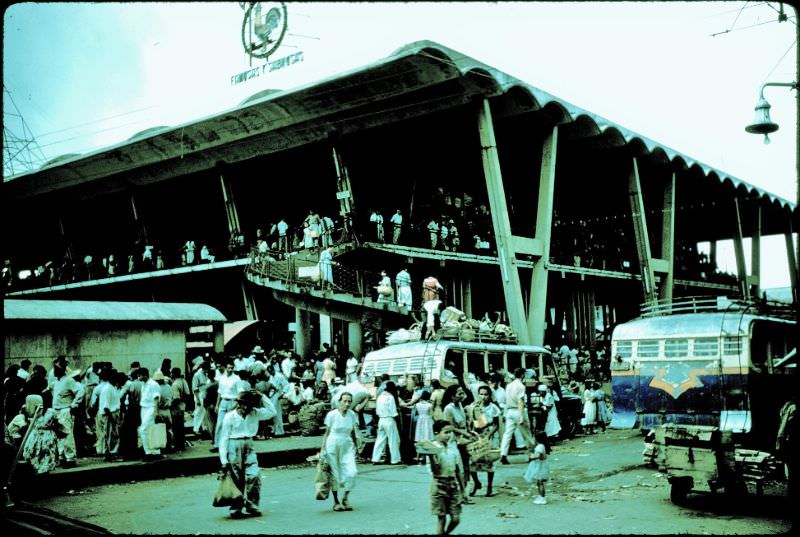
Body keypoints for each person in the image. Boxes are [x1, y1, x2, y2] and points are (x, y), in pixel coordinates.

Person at [218, 389, 276, 518]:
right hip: (234, 445)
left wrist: (262, 396)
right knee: (236, 477)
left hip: (249, 444)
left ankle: (252, 505)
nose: (246, 407)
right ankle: (236, 507)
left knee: (254, 475)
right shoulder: (230, 416)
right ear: (239, 404)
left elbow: (272, 411)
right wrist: (224, 460)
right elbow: (223, 439)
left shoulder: (255, 413)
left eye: (249, 405)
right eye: (243, 404)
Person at [321, 391, 361, 512]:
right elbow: (326, 433)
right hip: (333, 444)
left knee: (352, 472)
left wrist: (356, 445)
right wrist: (322, 449)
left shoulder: (352, 415)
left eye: (349, 401)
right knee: (335, 473)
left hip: (347, 444)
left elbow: (353, 431)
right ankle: (336, 501)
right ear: (339, 402)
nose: (347, 404)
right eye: (345, 401)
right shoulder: (332, 415)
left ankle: (345, 498)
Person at [426, 420, 464, 535]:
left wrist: (463, 490)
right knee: (441, 518)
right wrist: (431, 457)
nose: (449, 435)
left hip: (453, 484)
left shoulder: (453, 448)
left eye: (450, 432)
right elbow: (435, 470)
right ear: (437, 432)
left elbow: (458, 470)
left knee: (456, 518)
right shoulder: (431, 448)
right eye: (446, 432)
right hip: (439, 484)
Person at [49, 355, 85, 468]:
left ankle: (70, 458)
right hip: (57, 411)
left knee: (67, 435)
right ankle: (62, 456)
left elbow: (80, 392)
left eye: (56, 369)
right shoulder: (56, 383)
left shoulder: (69, 381)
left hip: (65, 410)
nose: (54, 371)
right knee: (59, 436)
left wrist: (74, 405)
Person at [442, 384, 477, 500]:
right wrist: (464, 433)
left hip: (464, 439)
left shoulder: (461, 406)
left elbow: (465, 423)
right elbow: (449, 427)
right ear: (452, 396)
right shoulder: (448, 408)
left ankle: (464, 492)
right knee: (458, 469)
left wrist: (469, 431)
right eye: (459, 393)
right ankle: (460, 493)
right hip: (454, 441)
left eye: (463, 392)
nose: (463, 395)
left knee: (467, 466)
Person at [466, 384, 501, 497]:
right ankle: (476, 483)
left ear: (490, 395)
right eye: (481, 394)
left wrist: (489, 434)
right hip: (477, 436)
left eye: (486, 394)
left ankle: (489, 487)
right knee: (473, 461)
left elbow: (496, 425)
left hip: (489, 436)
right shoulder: (474, 406)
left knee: (489, 462)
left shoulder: (493, 408)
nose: (483, 397)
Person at [500, 368, 532, 464]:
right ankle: (531, 454)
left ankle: (503, 454)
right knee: (527, 434)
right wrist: (522, 416)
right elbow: (520, 402)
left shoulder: (509, 385)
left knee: (507, 434)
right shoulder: (521, 386)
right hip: (518, 411)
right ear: (522, 375)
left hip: (509, 411)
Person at [213, 360, 243, 452]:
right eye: (228, 368)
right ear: (225, 368)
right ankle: (217, 445)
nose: (230, 369)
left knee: (231, 424)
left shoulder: (237, 379)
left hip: (232, 402)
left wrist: (236, 405)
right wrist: (217, 405)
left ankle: (230, 445)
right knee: (219, 424)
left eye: (231, 368)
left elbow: (240, 393)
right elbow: (219, 392)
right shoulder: (222, 378)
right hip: (223, 402)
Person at [371, 381, 401, 465]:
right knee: (393, 440)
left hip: (381, 419)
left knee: (380, 440)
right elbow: (393, 411)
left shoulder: (380, 396)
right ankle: (395, 459)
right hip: (389, 420)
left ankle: (375, 458)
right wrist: (397, 418)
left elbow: (376, 410)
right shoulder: (390, 397)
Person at [139, 369, 163, 460]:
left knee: (143, 429)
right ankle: (155, 452)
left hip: (151, 408)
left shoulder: (153, 384)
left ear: (145, 375)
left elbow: (156, 398)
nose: (139, 377)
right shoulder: (143, 384)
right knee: (150, 430)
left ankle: (149, 452)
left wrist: (156, 412)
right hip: (144, 408)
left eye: (140, 375)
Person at [523, 432, 551, 505]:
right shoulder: (541, 446)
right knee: (539, 482)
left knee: (540, 482)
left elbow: (538, 455)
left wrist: (531, 456)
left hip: (539, 466)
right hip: (540, 465)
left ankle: (542, 497)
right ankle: (540, 496)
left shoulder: (540, 446)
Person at [414, 390, 435, 463]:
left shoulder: (417, 405)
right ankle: (427, 456)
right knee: (428, 437)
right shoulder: (430, 405)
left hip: (420, 420)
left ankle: (418, 456)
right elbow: (431, 414)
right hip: (428, 420)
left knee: (420, 437)